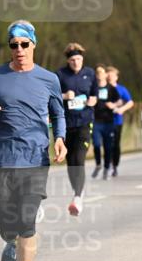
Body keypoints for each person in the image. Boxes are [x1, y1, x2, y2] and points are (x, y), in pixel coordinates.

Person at [0, 20, 67, 261]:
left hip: (35, 158)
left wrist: (60, 138)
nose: (19, 49)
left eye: (24, 44)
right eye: (13, 45)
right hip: (1, 157)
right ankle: (9, 240)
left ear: (33, 45)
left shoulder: (49, 78)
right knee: (8, 222)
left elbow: (58, 113)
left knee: (27, 220)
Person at [56, 43, 97, 216]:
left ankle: (78, 197)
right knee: (71, 162)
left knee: (79, 159)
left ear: (83, 59)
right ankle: (77, 191)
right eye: (72, 60)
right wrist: (65, 96)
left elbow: (95, 94)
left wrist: (93, 100)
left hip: (84, 122)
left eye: (79, 59)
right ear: (68, 60)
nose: (76, 63)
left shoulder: (90, 73)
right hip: (66, 124)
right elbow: (52, 96)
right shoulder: (60, 75)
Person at [90, 64, 119, 180]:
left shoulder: (111, 88)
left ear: (106, 75)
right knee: (96, 144)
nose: (100, 75)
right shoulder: (93, 87)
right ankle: (98, 164)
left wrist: (114, 105)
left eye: (102, 73)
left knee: (108, 147)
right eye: (98, 73)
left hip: (108, 121)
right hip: (96, 121)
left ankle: (107, 168)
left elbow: (119, 101)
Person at [107, 66, 134, 177]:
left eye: (112, 75)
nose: (109, 77)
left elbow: (130, 102)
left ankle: (115, 166)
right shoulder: (101, 88)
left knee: (115, 144)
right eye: (108, 74)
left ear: (116, 77)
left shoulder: (121, 89)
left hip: (116, 121)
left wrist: (122, 109)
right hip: (103, 121)